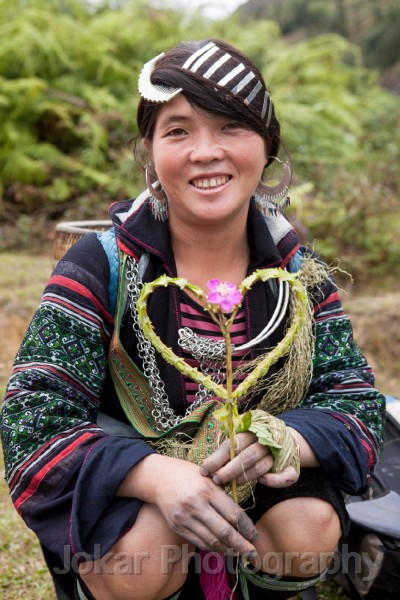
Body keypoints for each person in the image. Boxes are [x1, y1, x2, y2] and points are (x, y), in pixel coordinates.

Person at [0, 39, 385, 600]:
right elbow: (31, 419)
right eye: (178, 130)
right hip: (137, 512)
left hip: (255, 497)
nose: (207, 152)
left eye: (231, 126)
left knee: (307, 528)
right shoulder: (101, 265)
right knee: (151, 550)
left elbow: (355, 399)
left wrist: (285, 439)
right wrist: (156, 475)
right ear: (150, 151)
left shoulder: (296, 273)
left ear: (267, 145)